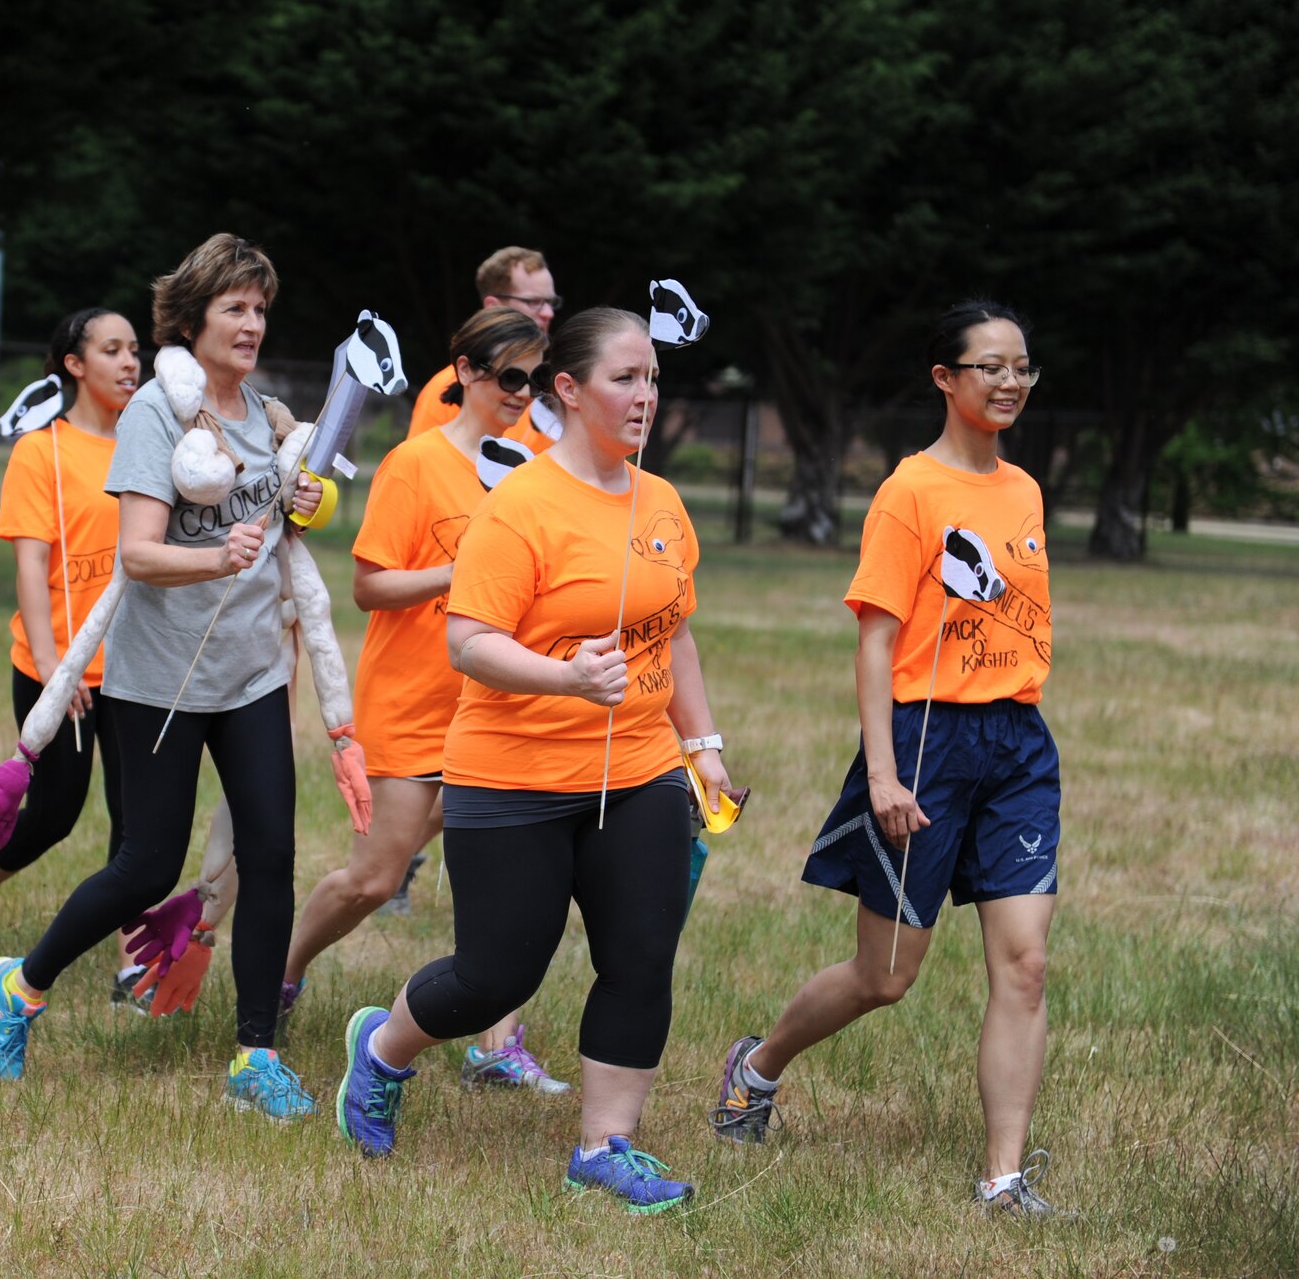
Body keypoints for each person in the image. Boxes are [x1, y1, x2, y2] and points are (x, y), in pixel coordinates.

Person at [334, 307, 741, 1215]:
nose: (644, 396)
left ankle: (604, 1145)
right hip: (509, 772)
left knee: (640, 955)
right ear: (567, 389)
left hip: (637, 769)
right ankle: (385, 1048)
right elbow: (469, 644)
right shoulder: (518, 506)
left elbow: (673, 639)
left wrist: (702, 747)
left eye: (652, 379)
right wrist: (564, 678)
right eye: (624, 379)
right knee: (496, 975)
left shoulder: (662, 504)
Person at [707, 300, 1068, 1219]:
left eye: (1021, 365)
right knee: (887, 977)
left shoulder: (1023, 491)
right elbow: (877, 642)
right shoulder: (909, 491)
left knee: (1023, 965)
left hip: (1017, 742)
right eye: (988, 366)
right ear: (944, 378)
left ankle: (1001, 1177)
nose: (1010, 381)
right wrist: (881, 772)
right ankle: (757, 1065)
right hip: (923, 741)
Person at [0, 234, 324, 1118]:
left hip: (250, 675)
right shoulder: (156, 416)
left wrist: (302, 508)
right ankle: (22, 985)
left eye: (260, 308)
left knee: (271, 852)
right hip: (160, 676)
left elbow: (277, 529)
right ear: (194, 316)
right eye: (235, 307)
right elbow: (138, 553)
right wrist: (218, 559)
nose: (252, 323)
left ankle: (254, 1058)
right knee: (144, 863)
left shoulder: (269, 416)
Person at [282, 308, 570, 1093]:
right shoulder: (415, 465)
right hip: (410, 706)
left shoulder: (539, 465)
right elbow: (370, 586)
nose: (522, 393)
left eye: (534, 379)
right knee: (375, 878)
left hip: (499, 708)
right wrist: (462, 572)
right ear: (466, 373)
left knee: (511, 884)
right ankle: (281, 970)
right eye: (509, 376)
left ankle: (496, 1042)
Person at [0, 307, 152, 1003]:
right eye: (112, 350)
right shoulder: (41, 451)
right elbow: (30, 563)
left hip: (141, 666)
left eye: (135, 349)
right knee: (54, 815)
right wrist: (54, 664)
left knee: (139, 822)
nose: (130, 362)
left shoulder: (154, 448)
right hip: (58, 665)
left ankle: (133, 966)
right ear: (74, 364)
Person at [404, 246, 562, 452]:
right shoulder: (449, 385)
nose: (548, 313)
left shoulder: (549, 385)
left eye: (550, 302)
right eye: (533, 301)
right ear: (493, 306)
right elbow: (425, 468)